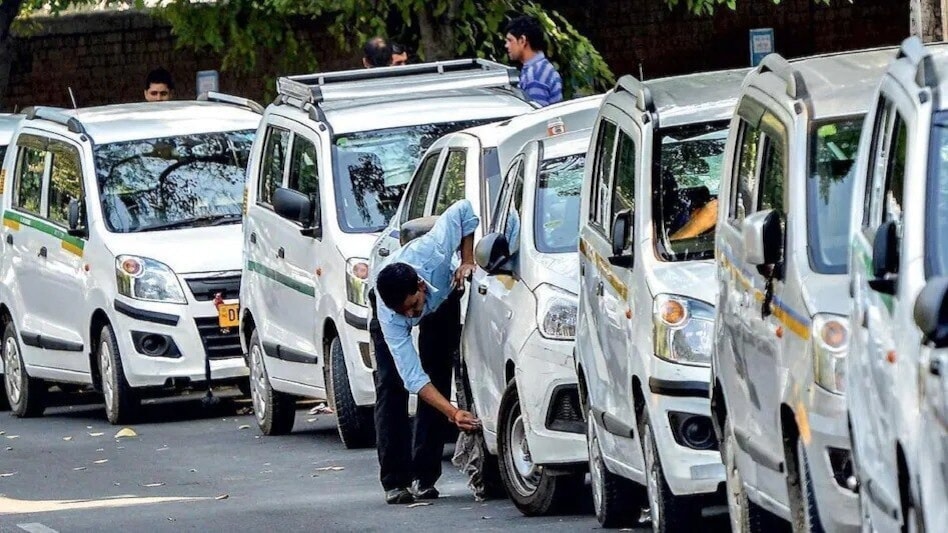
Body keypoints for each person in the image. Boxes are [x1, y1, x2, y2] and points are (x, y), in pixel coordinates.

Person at [369, 199, 480, 505]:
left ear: (419, 285)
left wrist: (467, 259)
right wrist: (453, 413)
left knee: (438, 372)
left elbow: (464, 210)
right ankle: (395, 480)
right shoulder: (391, 315)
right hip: (390, 300)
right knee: (391, 386)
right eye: (404, 314)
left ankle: (425, 476)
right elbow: (412, 377)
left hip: (442, 298)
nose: (411, 316)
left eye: (413, 308)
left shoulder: (434, 249)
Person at [504, 15, 563, 107]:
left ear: (522, 41)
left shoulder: (535, 75)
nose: (506, 45)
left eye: (510, 40)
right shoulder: (542, 68)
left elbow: (535, 117)